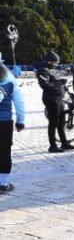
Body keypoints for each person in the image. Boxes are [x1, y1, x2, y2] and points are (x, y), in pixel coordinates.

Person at [36, 51, 74, 153]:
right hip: (51, 98)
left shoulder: (52, 70)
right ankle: (52, 145)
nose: (57, 64)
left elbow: (59, 82)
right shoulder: (43, 70)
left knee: (61, 122)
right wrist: (58, 83)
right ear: (49, 61)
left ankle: (64, 143)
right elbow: (45, 85)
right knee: (54, 122)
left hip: (58, 98)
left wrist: (67, 89)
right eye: (55, 62)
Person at [0, 54, 25, 193]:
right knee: (4, 152)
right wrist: (20, 120)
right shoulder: (9, 78)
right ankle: (3, 184)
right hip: (4, 121)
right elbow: (19, 102)